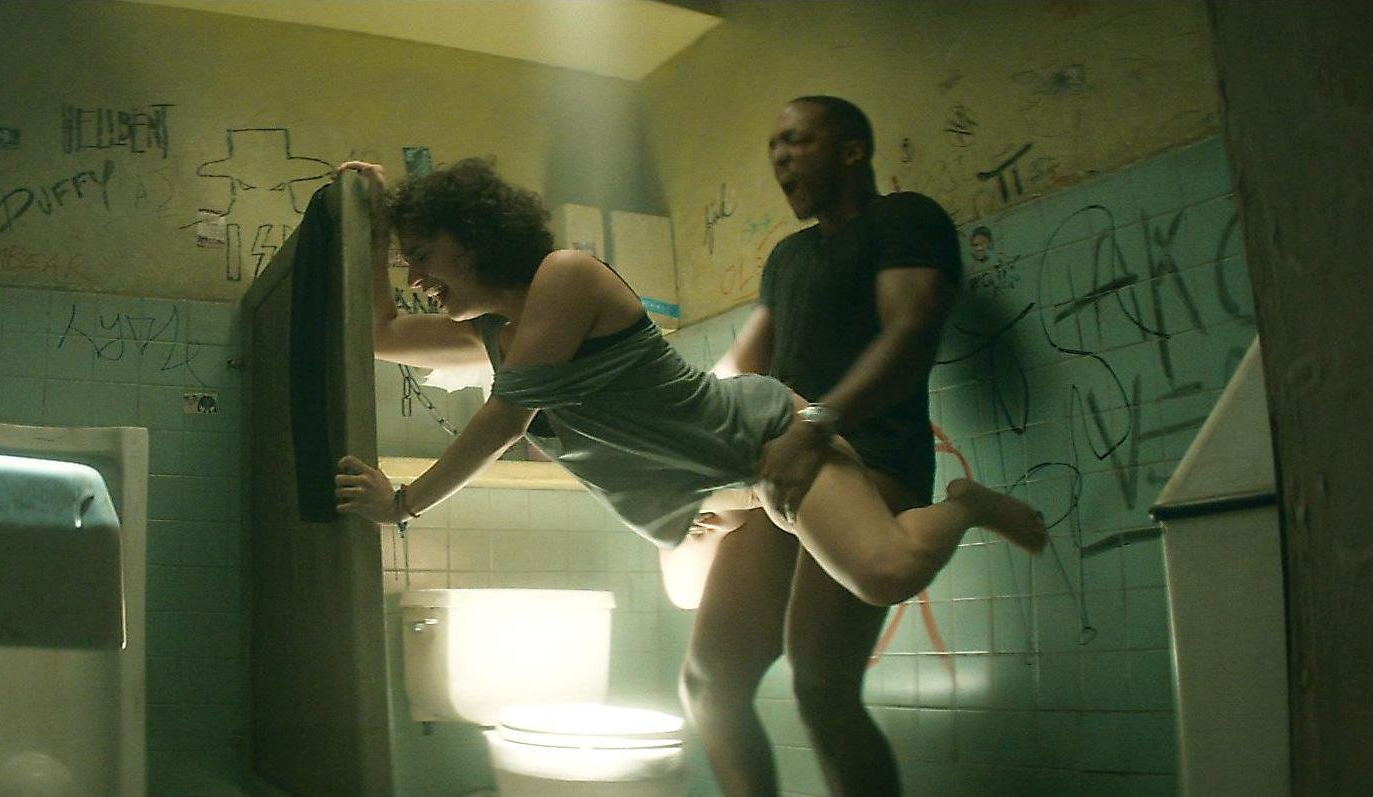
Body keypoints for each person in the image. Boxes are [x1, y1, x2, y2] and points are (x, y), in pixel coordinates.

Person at [329, 151, 1043, 778]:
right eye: (405, 260)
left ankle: (966, 504)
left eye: (421, 254)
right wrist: (372, 227)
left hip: (764, 437)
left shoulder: (567, 277)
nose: (415, 276)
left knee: (885, 574)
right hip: (722, 492)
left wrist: (402, 503)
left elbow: (507, 415)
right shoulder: (491, 334)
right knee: (709, 675)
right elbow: (380, 333)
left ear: (473, 237)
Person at [670, 95, 971, 796]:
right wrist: (679, 449)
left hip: (871, 463)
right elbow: (742, 366)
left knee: (822, 687)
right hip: (781, 471)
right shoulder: (789, 257)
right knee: (709, 680)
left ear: (851, 151)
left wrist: (817, 425)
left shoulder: (906, 220)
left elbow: (911, 331)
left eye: (797, 141)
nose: (780, 158)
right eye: (773, 147)